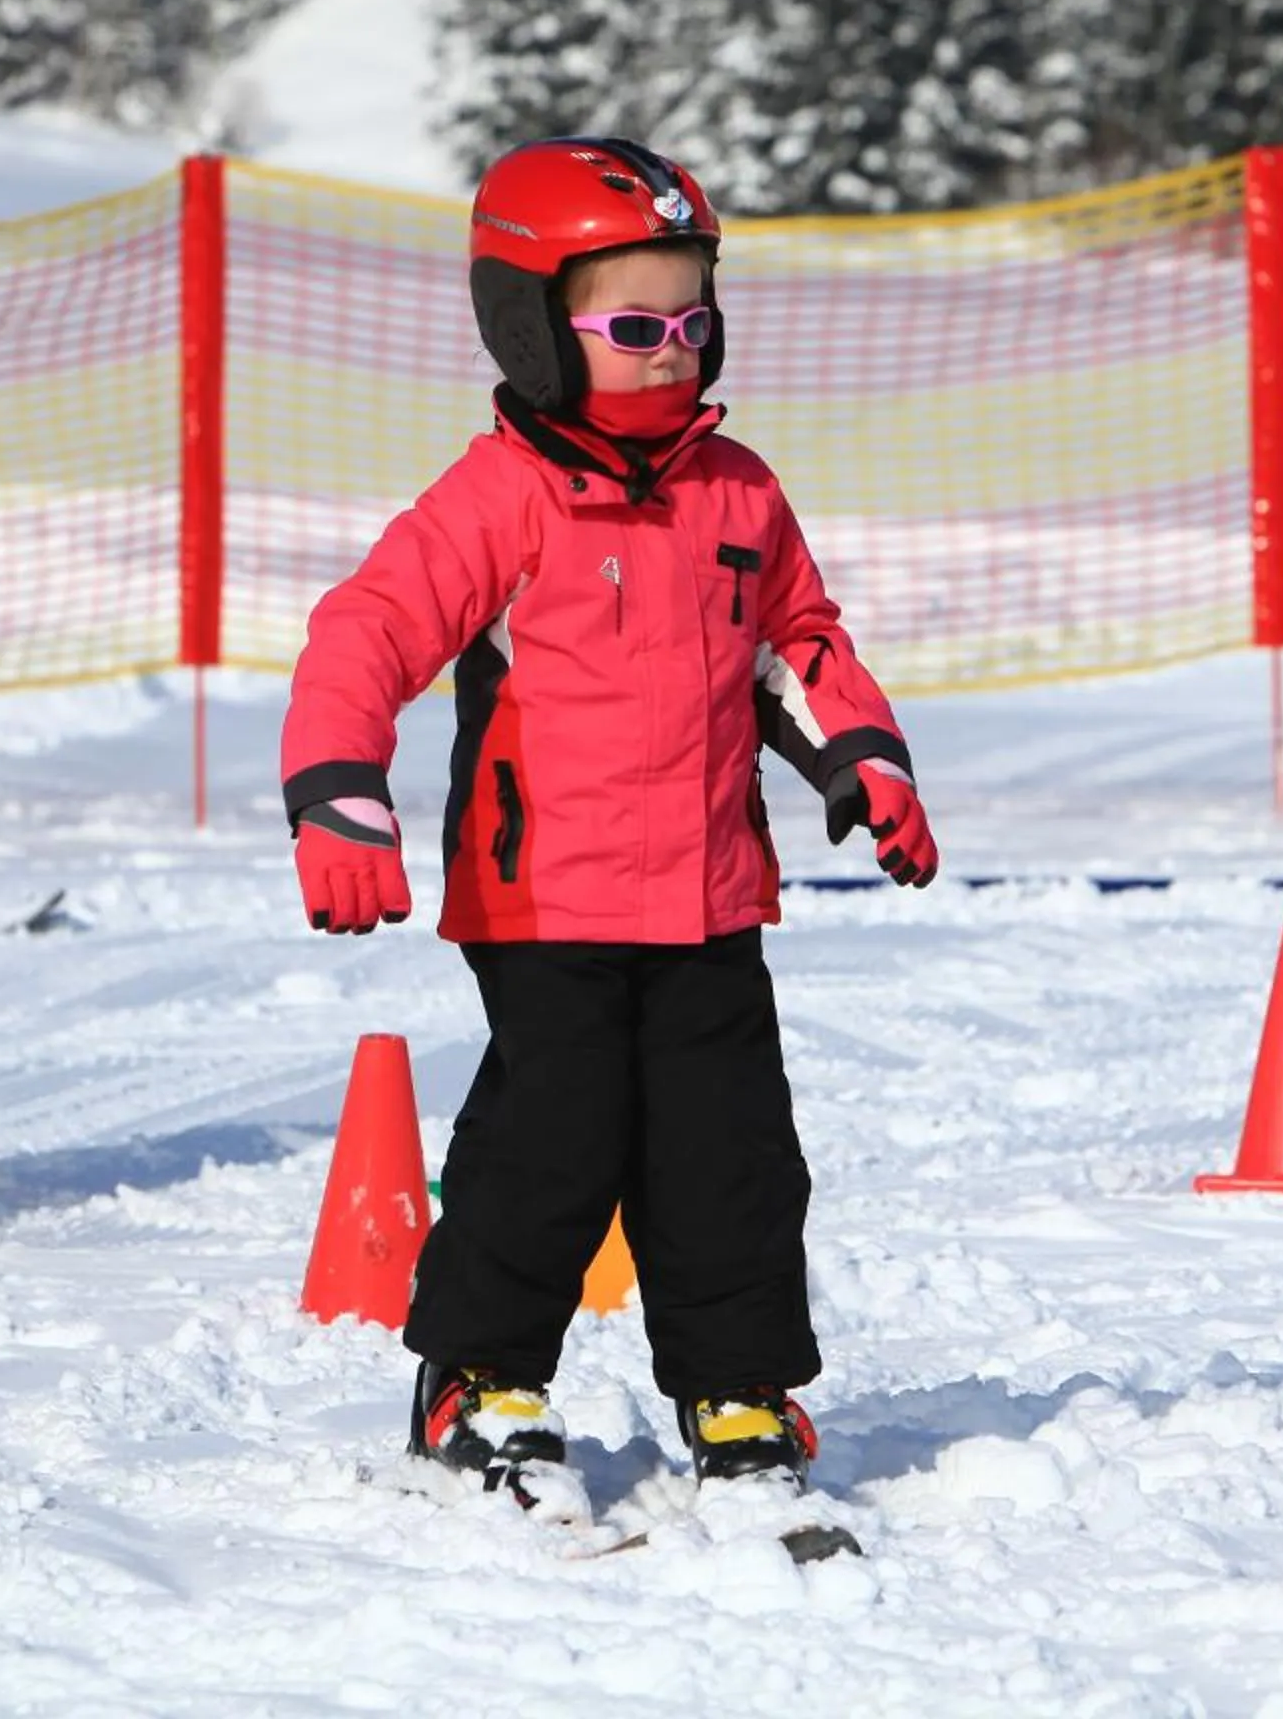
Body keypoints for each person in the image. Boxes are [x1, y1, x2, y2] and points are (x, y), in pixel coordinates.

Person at [279, 135, 937, 1509]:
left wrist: (865, 762)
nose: (671, 350)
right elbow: (368, 633)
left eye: (693, 319)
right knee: (552, 1143)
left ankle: (740, 1389)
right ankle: (478, 1377)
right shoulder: (503, 498)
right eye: (634, 325)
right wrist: (339, 792)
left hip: (708, 893)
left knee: (733, 1153)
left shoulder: (736, 490)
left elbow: (795, 646)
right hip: (544, 900)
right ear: (532, 326)